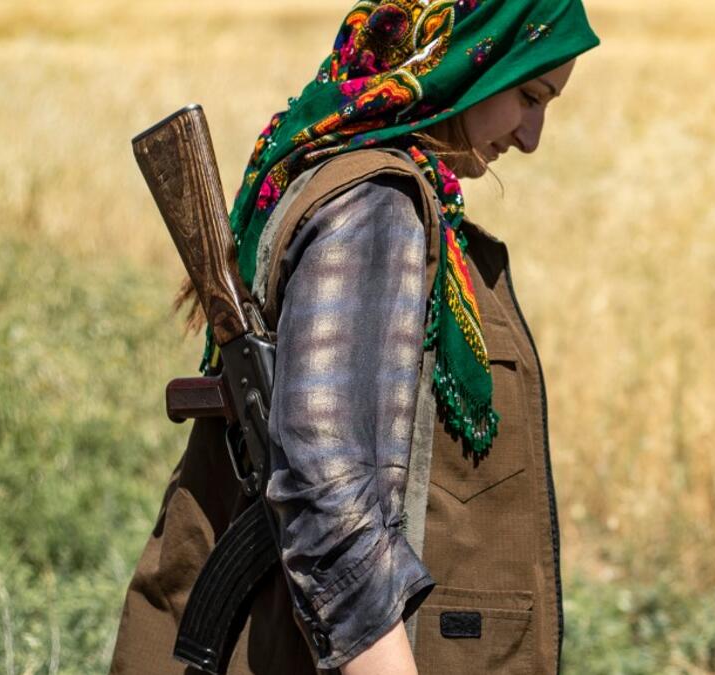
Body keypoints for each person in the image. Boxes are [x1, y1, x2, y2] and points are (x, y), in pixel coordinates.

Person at [111, 1, 599, 673]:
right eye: (530, 94)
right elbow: (327, 482)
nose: (532, 135)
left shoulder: (364, 182)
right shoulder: (377, 204)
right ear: (469, 55)